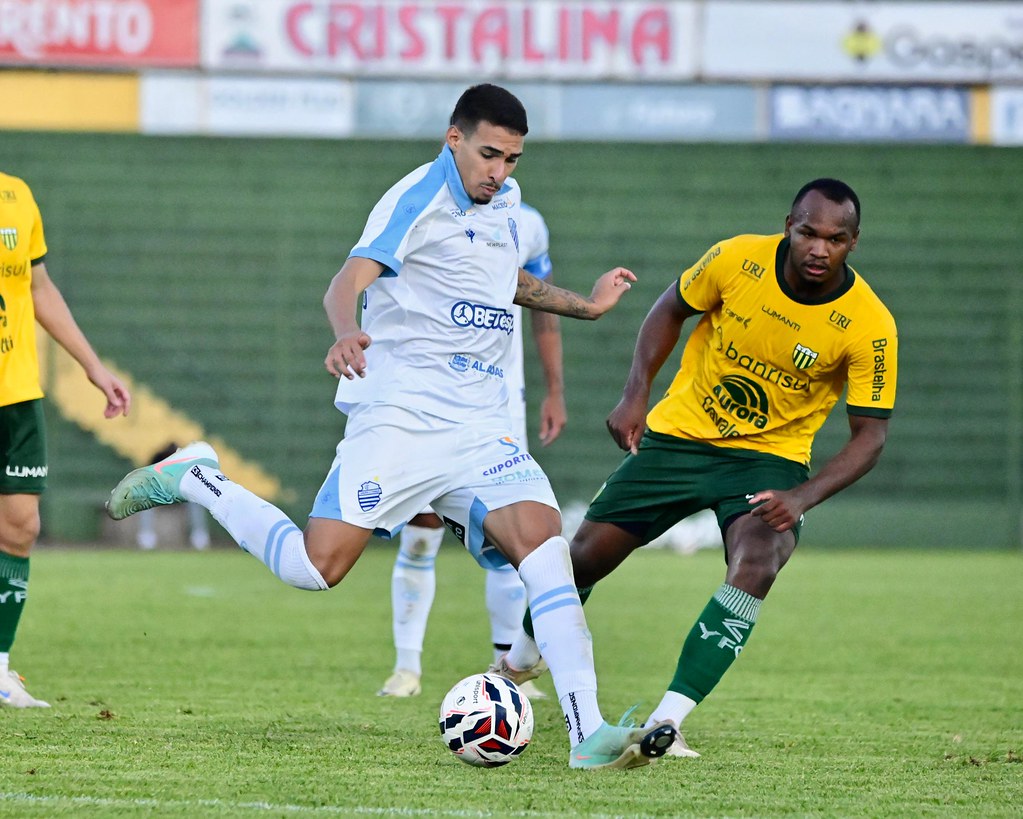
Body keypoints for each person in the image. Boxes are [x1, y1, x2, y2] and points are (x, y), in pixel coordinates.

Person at [106, 84, 676, 770]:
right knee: (317, 568)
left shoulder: (506, 208)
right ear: (453, 139)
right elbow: (344, 281)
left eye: (513, 159)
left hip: (476, 425)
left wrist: (585, 306)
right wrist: (346, 332)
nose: (499, 171)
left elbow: (505, 280)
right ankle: (195, 476)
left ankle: (588, 733)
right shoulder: (416, 198)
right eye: (489, 154)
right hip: (401, 417)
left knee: (546, 549)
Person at [494, 178, 897, 758]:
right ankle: (519, 663)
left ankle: (666, 722)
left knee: (758, 562)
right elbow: (667, 310)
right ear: (789, 224)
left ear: (853, 244)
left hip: (769, 460)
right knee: (581, 559)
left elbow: (871, 438)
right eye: (808, 232)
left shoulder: (869, 323)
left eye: (835, 239)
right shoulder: (737, 259)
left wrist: (802, 497)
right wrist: (637, 394)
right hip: (679, 437)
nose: (818, 248)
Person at [379, 202, 564, 700]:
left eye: (509, 156)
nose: (498, 166)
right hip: (429, 398)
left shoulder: (529, 224)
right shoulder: (427, 211)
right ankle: (406, 668)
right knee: (421, 529)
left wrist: (555, 389)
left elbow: (543, 311)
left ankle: (506, 668)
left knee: (510, 539)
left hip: (498, 401)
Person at [0, 170, 131, 708]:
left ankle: (0, 667)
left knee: (22, 526)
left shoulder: (18, 194)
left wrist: (92, 367)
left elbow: (39, 287)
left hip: (16, 393)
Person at [136, 443, 212, 551]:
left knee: (195, 502)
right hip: (161, 494)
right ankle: (147, 539)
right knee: (145, 500)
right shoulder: (157, 459)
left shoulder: (187, 463)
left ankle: (199, 539)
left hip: (180, 496)